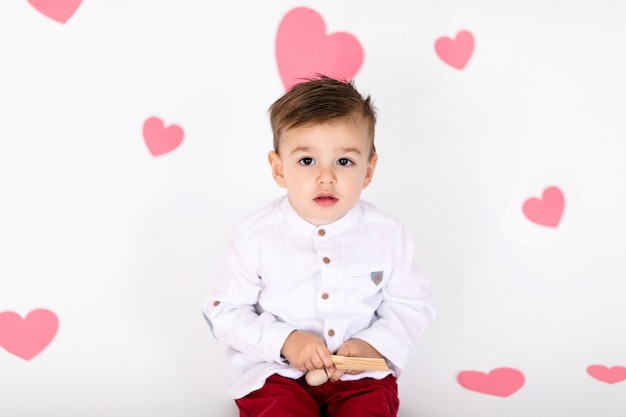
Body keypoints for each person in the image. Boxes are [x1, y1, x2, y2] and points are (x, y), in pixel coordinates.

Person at [202, 75, 435, 417]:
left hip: (360, 374)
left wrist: (373, 344)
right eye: (307, 161)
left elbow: (411, 305)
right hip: (275, 371)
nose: (326, 177)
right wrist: (285, 341)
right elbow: (224, 312)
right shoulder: (255, 236)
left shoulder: (388, 235)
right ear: (279, 169)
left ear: (368, 171)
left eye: (344, 162)